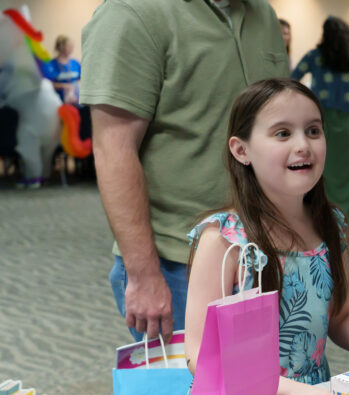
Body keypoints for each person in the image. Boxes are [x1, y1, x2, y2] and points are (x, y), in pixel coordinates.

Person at [185, 78, 349, 395]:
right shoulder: (225, 239)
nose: (303, 145)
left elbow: (340, 318)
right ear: (241, 150)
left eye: (313, 131)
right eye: (282, 133)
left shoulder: (332, 224)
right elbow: (197, 355)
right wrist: (284, 390)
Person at [80, 0, 288, 342]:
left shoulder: (261, 13)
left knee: (259, 391)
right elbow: (113, 149)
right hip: (176, 263)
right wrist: (144, 275)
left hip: (259, 254)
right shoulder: (131, 12)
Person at [291, 16, 349, 243]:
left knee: (319, 175)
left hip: (319, 123)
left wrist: (301, 106)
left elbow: (292, 78)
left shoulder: (315, 57)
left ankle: (322, 225)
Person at [44, 35, 80, 105]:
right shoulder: (51, 64)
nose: (71, 48)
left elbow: (81, 79)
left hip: (76, 103)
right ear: (61, 46)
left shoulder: (75, 63)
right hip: (59, 103)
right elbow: (47, 84)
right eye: (69, 46)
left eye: (72, 46)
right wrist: (64, 86)